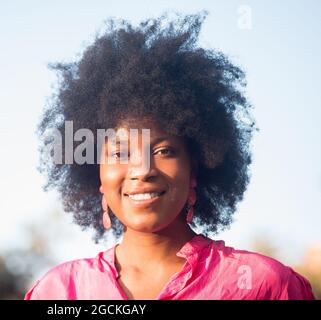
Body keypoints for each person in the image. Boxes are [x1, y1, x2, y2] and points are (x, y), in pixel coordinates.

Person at [25, 12, 315, 300]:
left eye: (164, 150)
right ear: (97, 174)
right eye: (120, 153)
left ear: (195, 168)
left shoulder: (265, 287)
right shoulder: (60, 292)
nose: (142, 170)